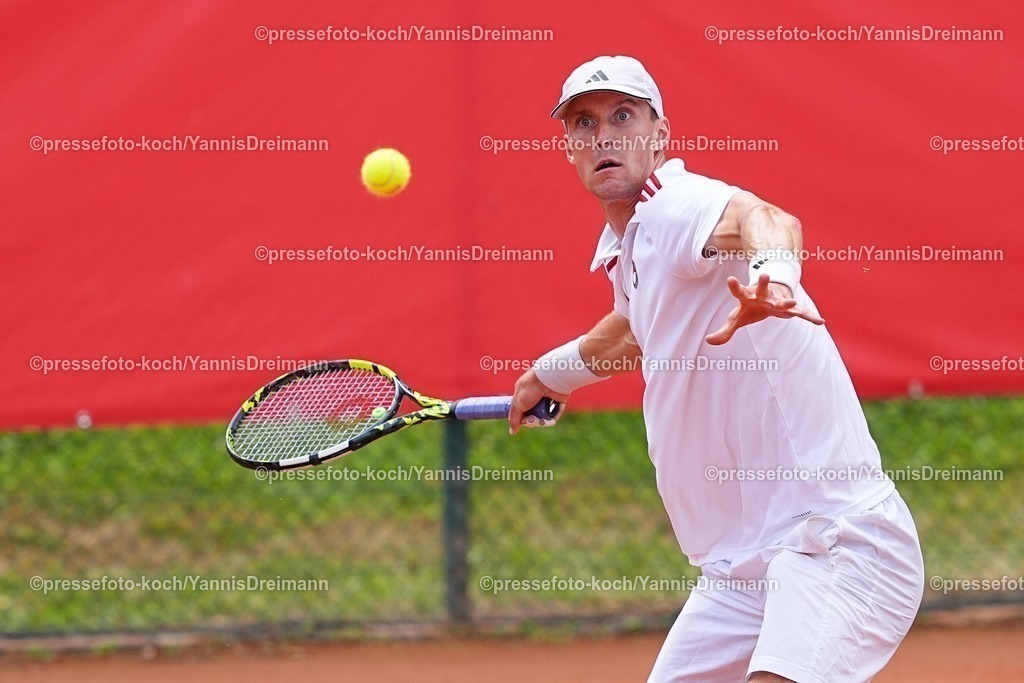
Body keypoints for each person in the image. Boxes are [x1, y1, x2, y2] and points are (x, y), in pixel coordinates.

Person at [508, 55, 924, 682]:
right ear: (570, 148)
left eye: (625, 116)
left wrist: (775, 279)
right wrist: (548, 374)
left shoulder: (676, 207)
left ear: (660, 135)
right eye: (586, 124)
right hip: (739, 576)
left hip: (831, 541)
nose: (606, 136)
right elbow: (633, 331)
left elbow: (770, 222)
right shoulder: (634, 247)